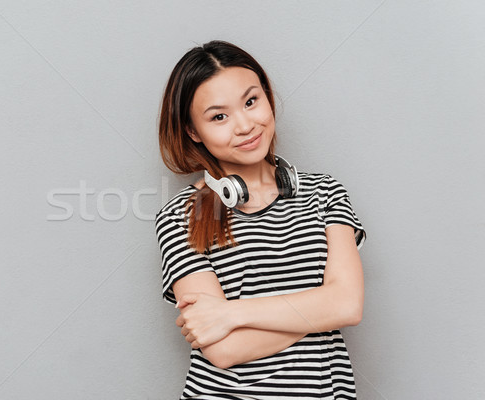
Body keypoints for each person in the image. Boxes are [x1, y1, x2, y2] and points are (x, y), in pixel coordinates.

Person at [154, 40, 366, 399]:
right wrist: (321, 306)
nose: (245, 125)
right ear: (193, 131)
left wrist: (231, 314)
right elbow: (224, 350)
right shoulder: (178, 217)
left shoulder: (325, 193)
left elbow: (349, 305)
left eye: (251, 101)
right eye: (218, 116)